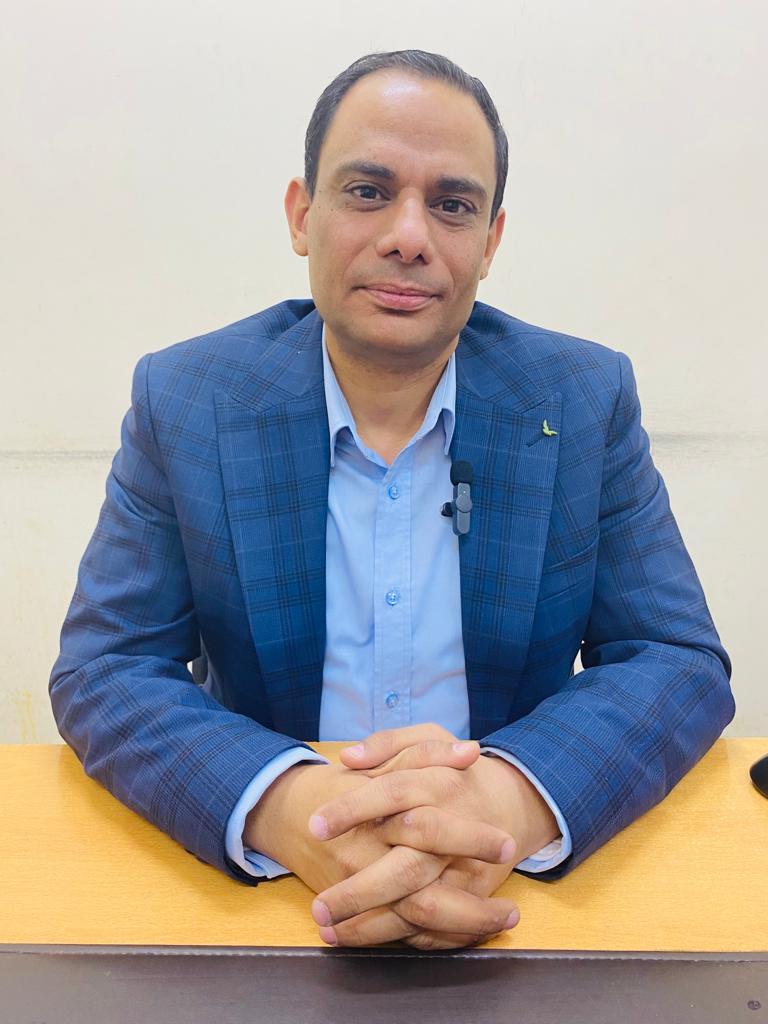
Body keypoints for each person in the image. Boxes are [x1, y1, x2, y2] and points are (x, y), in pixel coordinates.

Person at [49, 49, 734, 951]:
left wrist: (506, 802)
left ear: (490, 241)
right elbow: (104, 669)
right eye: (368, 192)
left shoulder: (580, 398)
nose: (410, 236)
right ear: (302, 215)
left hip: (508, 893)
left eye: (452, 205)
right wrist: (292, 808)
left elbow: (676, 658)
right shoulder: (187, 400)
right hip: (276, 897)